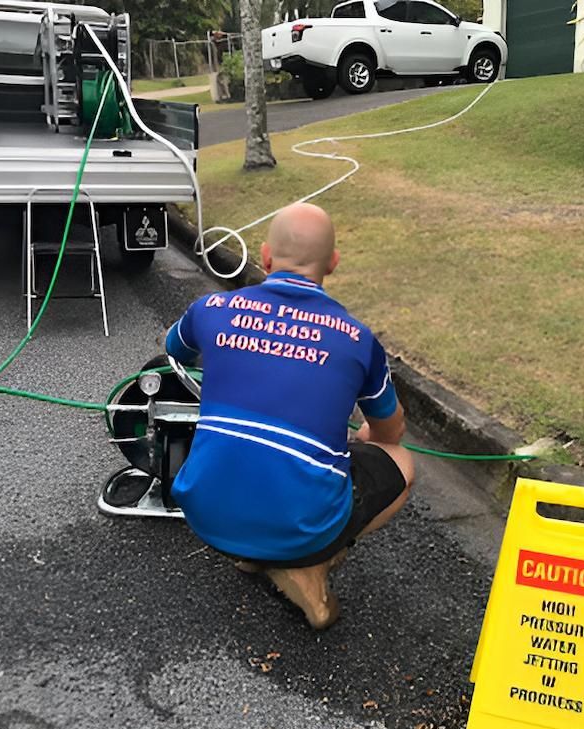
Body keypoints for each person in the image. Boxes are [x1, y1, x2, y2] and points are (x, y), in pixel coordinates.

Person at [164, 203, 415, 629]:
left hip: (204, 512)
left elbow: (172, 354)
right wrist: (365, 438)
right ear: (333, 263)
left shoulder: (209, 308)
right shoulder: (357, 339)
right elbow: (391, 430)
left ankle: (253, 553)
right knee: (403, 464)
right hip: (302, 524)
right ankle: (312, 562)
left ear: (264, 257)